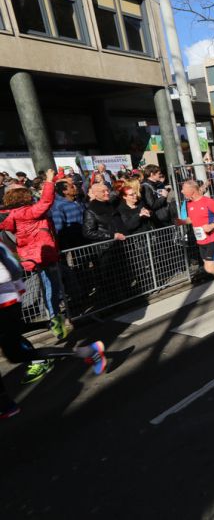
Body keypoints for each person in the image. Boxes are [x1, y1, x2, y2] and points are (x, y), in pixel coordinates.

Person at [0, 242, 106, 417]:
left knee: (16, 353)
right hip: (9, 302)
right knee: (15, 351)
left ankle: (89, 351)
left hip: (5, 304)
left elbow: (7, 272)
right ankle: (6, 405)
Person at [0, 169, 69, 351]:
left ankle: (52, 317)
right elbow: (46, 201)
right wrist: (49, 180)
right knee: (51, 288)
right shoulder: (27, 212)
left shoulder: (12, 215)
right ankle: (54, 319)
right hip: (43, 255)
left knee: (45, 287)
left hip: (31, 257)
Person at [178, 179, 214, 297]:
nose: (182, 191)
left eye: (184, 189)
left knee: (209, 268)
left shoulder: (208, 202)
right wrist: (182, 221)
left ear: (192, 190)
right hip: (201, 239)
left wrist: (213, 225)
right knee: (210, 267)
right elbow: (193, 219)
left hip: (212, 238)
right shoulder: (189, 203)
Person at [50, 179, 86, 250]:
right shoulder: (58, 206)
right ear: (65, 191)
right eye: (72, 187)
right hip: (73, 241)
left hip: (85, 235)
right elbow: (58, 227)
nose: (75, 188)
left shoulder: (77, 200)